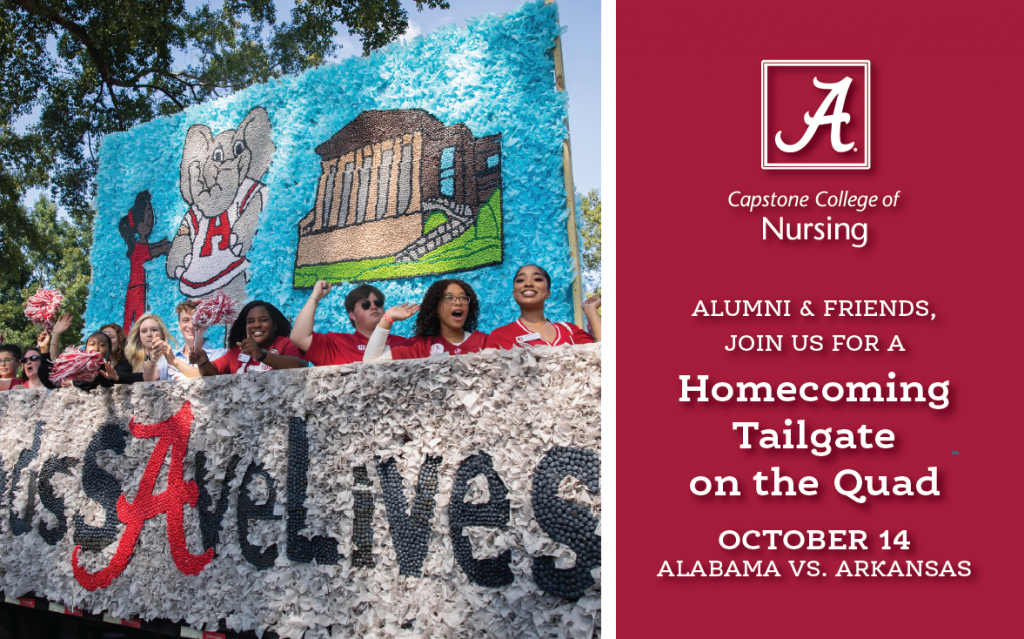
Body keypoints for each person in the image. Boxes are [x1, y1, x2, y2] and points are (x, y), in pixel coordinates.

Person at [363, 279, 488, 361]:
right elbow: (370, 361)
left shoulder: (485, 342)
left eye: (463, 298)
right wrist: (388, 317)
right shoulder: (420, 346)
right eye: (449, 298)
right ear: (436, 307)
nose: (458, 302)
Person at [291, 281, 408, 366]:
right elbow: (299, 337)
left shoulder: (402, 343)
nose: (373, 307)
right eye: (365, 304)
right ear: (352, 315)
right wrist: (316, 296)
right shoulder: (335, 344)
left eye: (378, 302)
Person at [486, 264, 602, 349]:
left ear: (548, 293)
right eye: (521, 280)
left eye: (537, 279)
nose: (528, 283)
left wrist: (591, 310)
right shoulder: (499, 337)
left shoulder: (570, 331)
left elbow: (601, 357)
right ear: (514, 293)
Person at [190, 301, 306, 375]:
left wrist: (261, 355)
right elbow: (213, 372)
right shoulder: (236, 351)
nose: (256, 325)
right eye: (250, 322)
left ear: (275, 324)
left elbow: (300, 366)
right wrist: (203, 363)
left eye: (263, 320)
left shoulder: (287, 344)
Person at [155, 300, 228, 380]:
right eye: (186, 320)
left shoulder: (219, 355)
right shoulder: (167, 357)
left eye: (197, 320)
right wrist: (152, 360)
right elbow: (150, 383)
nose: (191, 325)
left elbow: (211, 381)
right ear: (179, 325)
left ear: (206, 325)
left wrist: (174, 361)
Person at [124, 313, 178, 382]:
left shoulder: (175, 356)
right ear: (139, 337)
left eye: (154, 330)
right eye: (144, 331)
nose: (149, 334)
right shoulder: (131, 360)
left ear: (163, 334)